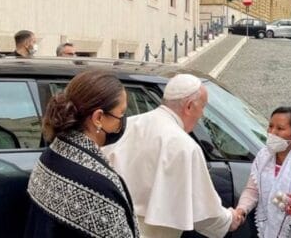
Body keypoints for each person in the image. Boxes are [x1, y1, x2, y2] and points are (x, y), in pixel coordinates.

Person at [103, 74, 242, 238]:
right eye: (202, 107)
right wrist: (229, 219)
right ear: (189, 106)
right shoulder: (185, 146)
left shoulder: (129, 125)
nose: (202, 115)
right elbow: (204, 213)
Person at [25, 70, 139, 237]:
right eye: (120, 114)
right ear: (98, 118)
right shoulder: (100, 186)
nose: (121, 122)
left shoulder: (52, 154)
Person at [236, 106, 291, 237]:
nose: (272, 132)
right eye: (270, 126)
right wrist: (241, 210)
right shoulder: (263, 157)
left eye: (280, 128)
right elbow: (252, 190)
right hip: (268, 230)